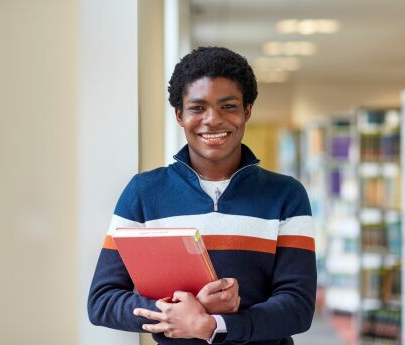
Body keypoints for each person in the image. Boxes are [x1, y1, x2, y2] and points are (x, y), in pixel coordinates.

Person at [87, 46, 316, 345]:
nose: (213, 120)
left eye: (228, 106)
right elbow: (102, 302)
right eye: (197, 108)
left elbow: (298, 308)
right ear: (180, 115)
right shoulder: (144, 192)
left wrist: (212, 325)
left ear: (247, 110)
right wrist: (177, 313)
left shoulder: (286, 195)